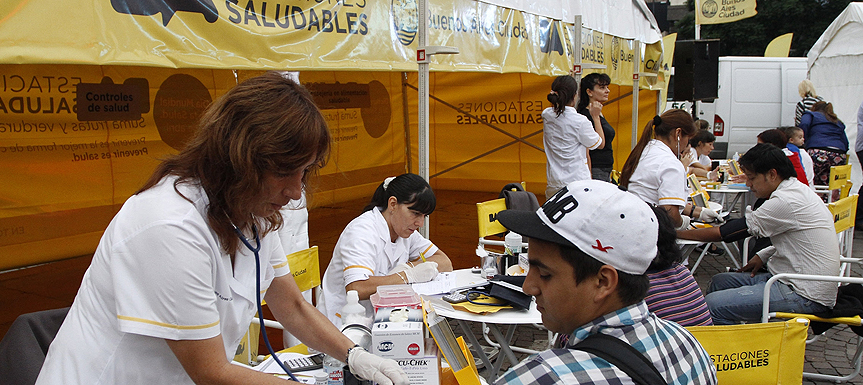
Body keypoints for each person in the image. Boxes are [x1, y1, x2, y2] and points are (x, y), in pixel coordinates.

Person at [36, 73, 408, 385]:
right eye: (284, 171)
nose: (296, 191)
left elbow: (291, 305)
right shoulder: (170, 226)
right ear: (239, 158)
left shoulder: (251, 210)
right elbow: (210, 371)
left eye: (305, 172)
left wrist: (354, 355)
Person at [494, 180, 717, 385]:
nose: (527, 287)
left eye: (544, 274)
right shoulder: (688, 346)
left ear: (603, 282)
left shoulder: (548, 377)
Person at [677, 143, 840, 325]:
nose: (748, 184)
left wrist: (678, 234)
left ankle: (736, 350)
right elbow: (796, 239)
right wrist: (762, 256)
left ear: (772, 174)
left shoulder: (786, 200)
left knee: (714, 305)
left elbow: (727, 233)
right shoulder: (795, 190)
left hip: (805, 292)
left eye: (752, 178)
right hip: (793, 277)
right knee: (720, 281)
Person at [319, 173, 453, 327]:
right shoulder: (361, 231)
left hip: (382, 320)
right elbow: (357, 288)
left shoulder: (406, 232)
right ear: (393, 204)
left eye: (425, 216)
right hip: (342, 326)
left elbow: (444, 262)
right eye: (415, 213)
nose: (420, 223)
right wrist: (407, 275)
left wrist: (409, 268)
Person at [620, 109, 721, 230]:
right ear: (678, 134)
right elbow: (670, 215)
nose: (687, 145)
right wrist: (684, 223)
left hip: (631, 222)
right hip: (650, 229)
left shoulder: (645, 150)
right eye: (688, 138)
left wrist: (698, 212)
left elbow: (655, 197)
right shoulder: (671, 163)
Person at [543, 75, 604, 198]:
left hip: (554, 182)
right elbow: (600, 144)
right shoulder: (580, 121)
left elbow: (558, 110)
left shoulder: (547, 115)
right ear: (575, 95)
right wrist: (596, 117)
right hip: (577, 183)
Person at [800, 101, 849, 186]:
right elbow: (845, 142)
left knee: (813, 180)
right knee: (832, 185)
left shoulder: (810, 115)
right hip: (838, 154)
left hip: (818, 151)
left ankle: (816, 198)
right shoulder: (837, 121)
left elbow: (804, 124)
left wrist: (804, 140)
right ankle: (830, 198)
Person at [577, 73, 615, 182]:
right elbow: (598, 144)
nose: (607, 91)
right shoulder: (586, 116)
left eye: (607, 87)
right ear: (589, 92)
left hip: (605, 168)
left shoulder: (597, 113)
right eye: (602, 88)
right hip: (596, 169)